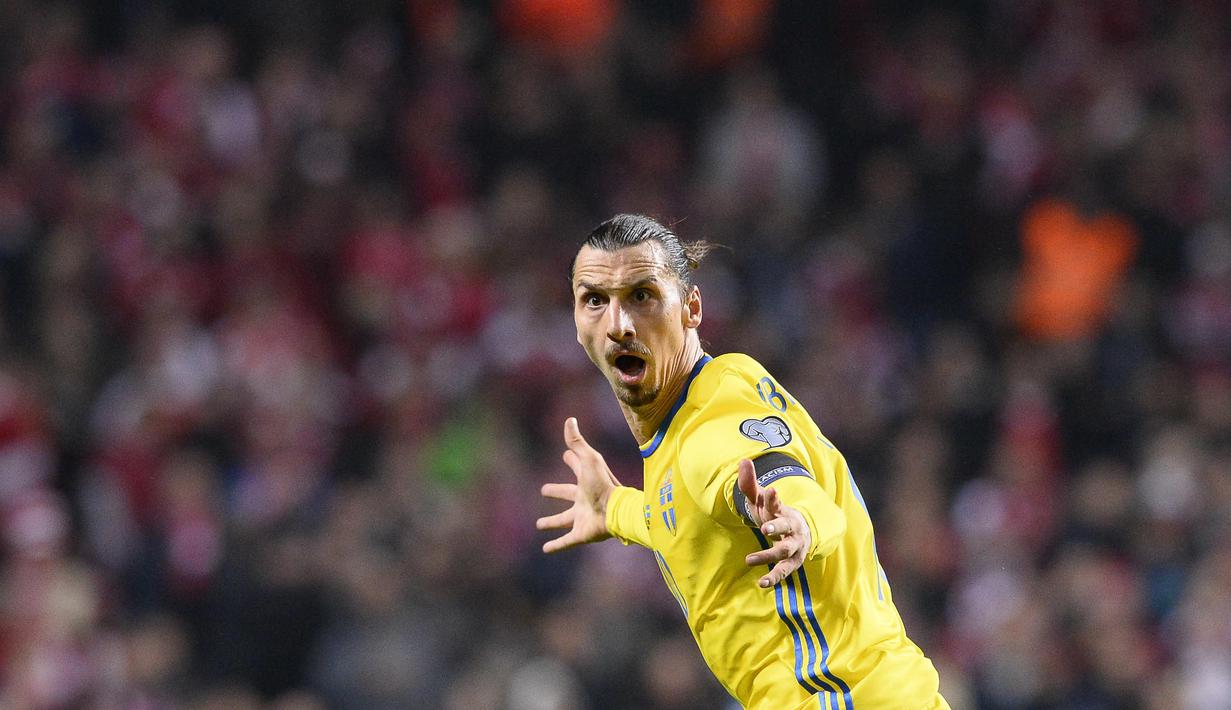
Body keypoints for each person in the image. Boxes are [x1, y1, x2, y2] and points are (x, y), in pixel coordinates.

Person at [538, 214, 949, 709]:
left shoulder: (711, 424)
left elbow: (782, 483)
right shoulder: (696, 409)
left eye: (642, 296)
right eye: (595, 300)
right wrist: (615, 510)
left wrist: (800, 522)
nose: (618, 325)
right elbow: (685, 518)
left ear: (691, 308)